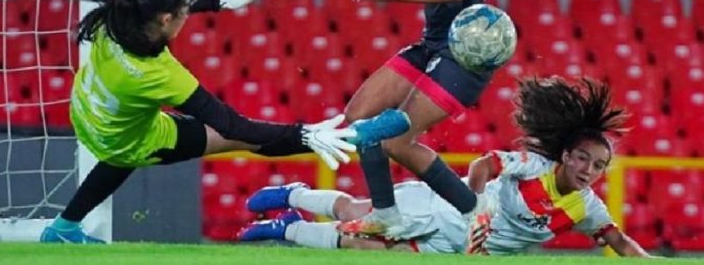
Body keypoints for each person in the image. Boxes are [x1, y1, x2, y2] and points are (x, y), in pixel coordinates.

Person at [40, 0, 407, 243]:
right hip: (127, 139)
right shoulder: (160, 75)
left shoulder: (116, 19)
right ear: (167, 19)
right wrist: (304, 135)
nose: (187, 14)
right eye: (184, 12)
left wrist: (220, 0)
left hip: (87, 113)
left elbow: (170, 3)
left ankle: (63, 228)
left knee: (122, 147)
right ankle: (343, 138)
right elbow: (232, 125)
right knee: (235, 138)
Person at [238, 77, 652, 258]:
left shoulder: (588, 208)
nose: (588, 169)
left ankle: (288, 227)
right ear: (565, 155)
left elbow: (620, 242)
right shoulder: (534, 166)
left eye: (598, 165)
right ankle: (294, 195)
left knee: (366, 247)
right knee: (354, 214)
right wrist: (477, 208)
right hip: (442, 209)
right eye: (583, 157)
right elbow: (484, 165)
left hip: (454, 248)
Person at [338, 0, 497, 237]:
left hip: (461, 55)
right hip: (432, 44)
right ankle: (387, 214)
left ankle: (474, 209)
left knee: (394, 140)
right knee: (358, 117)